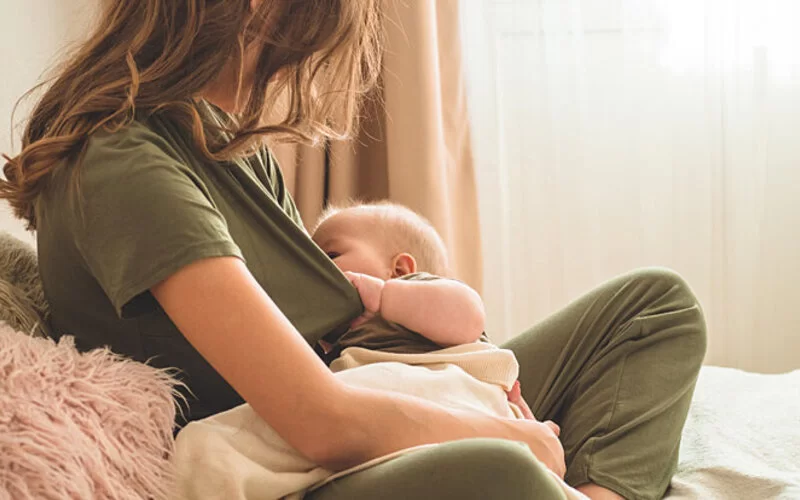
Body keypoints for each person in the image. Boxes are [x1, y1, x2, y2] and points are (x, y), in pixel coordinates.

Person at [0, 1, 706, 499]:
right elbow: (321, 423)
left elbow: (333, 334)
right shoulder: (124, 163)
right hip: (303, 465)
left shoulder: (227, 142)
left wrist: (465, 383)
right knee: (505, 473)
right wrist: (520, 439)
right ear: (258, 10)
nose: (305, 57)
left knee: (655, 306)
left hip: (372, 391)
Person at [311, 201, 540, 419]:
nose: (315, 269)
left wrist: (383, 296)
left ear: (400, 270)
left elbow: (469, 318)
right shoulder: (332, 343)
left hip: (461, 408)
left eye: (330, 256)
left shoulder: (422, 297)